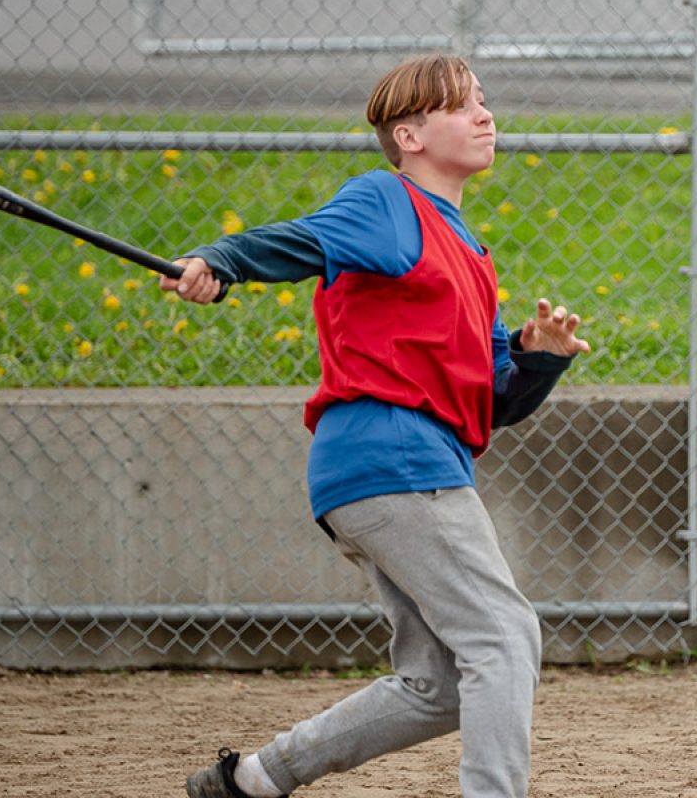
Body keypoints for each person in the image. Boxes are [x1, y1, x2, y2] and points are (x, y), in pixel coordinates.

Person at [169, 53, 591, 798]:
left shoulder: (469, 254)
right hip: (397, 460)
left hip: (388, 470)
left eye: (481, 101)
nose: (485, 115)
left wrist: (536, 360)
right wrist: (221, 261)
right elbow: (300, 241)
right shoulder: (387, 201)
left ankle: (255, 780)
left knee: (439, 684)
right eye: (462, 106)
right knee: (502, 637)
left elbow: (490, 405)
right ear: (409, 135)